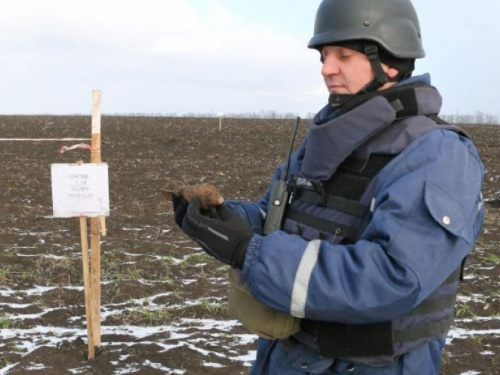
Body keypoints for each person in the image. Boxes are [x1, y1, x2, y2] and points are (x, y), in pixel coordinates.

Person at [172, 0, 485, 373]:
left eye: (344, 55)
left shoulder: (436, 154)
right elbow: (279, 218)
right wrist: (223, 220)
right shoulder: (327, 139)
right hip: (286, 357)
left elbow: (390, 277)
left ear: (390, 61)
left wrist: (250, 252)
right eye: (323, 56)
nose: (326, 68)